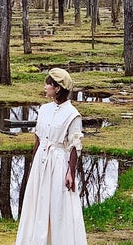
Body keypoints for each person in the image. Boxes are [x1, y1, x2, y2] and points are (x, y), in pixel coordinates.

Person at [15, 68, 87, 245]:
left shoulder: (72, 115)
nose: (45, 87)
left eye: (49, 84)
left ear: (58, 88)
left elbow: (74, 146)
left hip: (58, 163)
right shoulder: (44, 109)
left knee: (57, 204)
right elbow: (38, 139)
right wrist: (34, 164)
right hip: (42, 161)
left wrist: (71, 172)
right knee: (37, 202)